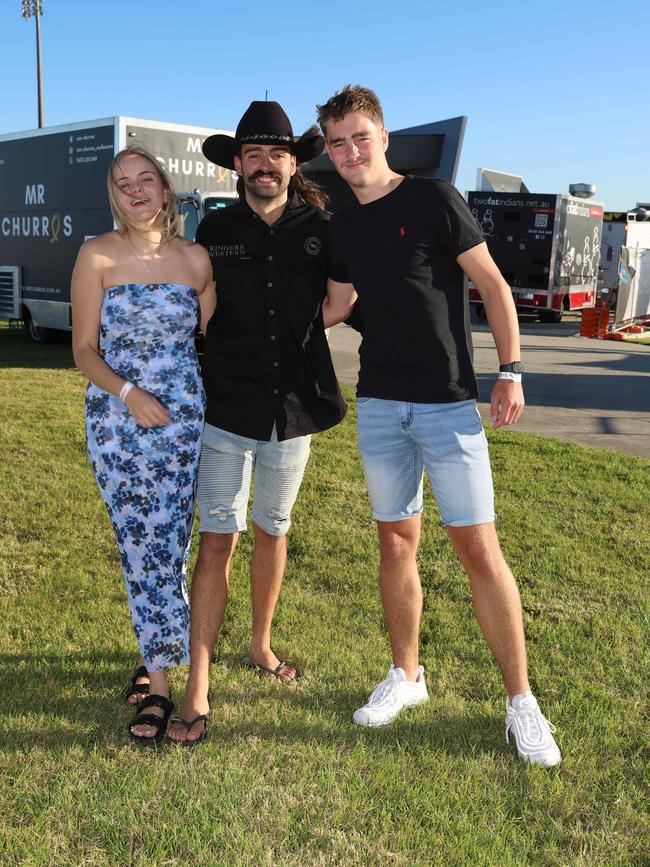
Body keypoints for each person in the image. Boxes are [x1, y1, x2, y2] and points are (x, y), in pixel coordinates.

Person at [316, 85, 562, 767]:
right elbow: (336, 304)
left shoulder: (433, 199)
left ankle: (522, 704)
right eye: (337, 143)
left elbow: (491, 283)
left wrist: (511, 369)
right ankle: (407, 676)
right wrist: (264, 316)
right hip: (380, 405)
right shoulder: (342, 223)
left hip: (449, 404)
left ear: (384, 136)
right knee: (396, 543)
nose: (350, 152)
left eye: (360, 137)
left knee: (479, 550)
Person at [167, 101, 352, 745]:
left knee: (274, 528)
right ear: (238, 163)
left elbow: (341, 302)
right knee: (218, 537)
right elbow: (191, 303)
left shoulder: (320, 225)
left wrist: (291, 336)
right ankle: (197, 681)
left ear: (293, 161)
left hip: (294, 409)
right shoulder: (213, 229)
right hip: (225, 406)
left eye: (277, 154)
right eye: (253, 154)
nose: (265, 164)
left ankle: (261, 646)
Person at [71, 146, 215, 745]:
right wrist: (130, 394)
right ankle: (159, 685)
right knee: (140, 543)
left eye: (146, 180)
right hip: (119, 421)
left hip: (183, 424)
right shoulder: (96, 253)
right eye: (123, 183)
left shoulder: (196, 259)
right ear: (115, 194)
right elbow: (83, 349)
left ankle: (152, 649)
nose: (136, 191)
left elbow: (213, 339)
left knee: (172, 541)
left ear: (165, 188)